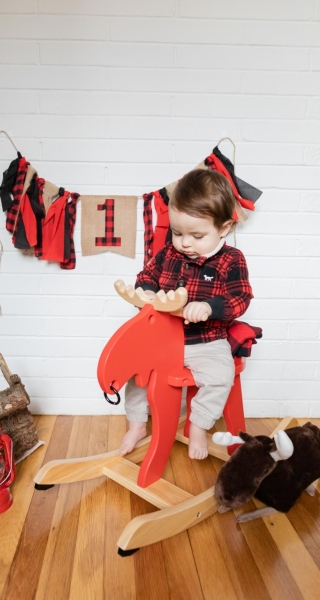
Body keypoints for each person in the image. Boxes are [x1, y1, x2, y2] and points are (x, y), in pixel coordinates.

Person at [119, 168, 253, 460]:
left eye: (196, 235)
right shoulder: (169, 254)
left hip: (205, 340)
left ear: (224, 227)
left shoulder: (231, 260)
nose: (185, 242)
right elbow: (148, 275)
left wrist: (209, 307)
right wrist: (145, 292)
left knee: (221, 375)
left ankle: (199, 425)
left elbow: (241, 298)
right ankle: (137, 423)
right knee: (136, 370)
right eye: (178, 232)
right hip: (164, 339)